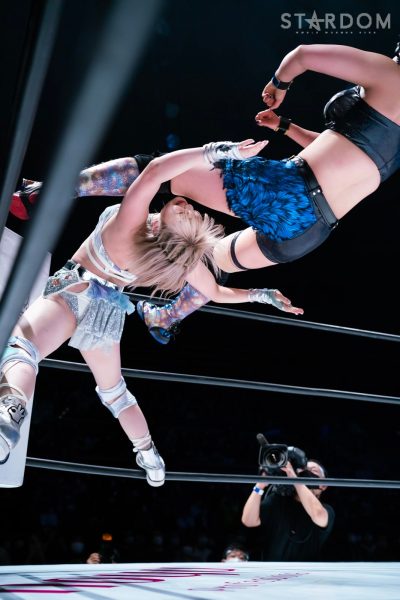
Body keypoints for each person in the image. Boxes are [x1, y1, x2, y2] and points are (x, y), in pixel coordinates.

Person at [0, 140, 302, 482]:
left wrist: (216, 151)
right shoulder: (176, 258)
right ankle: (149, 455)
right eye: (192, 213)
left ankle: (11, 409)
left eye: (185, 215)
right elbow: (216, 293)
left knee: (21, 346)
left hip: (76, 291)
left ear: (169, 230)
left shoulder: (133, 224)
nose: (187, 206)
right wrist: (260, 295)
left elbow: (154, 170)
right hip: (106, 315)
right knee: (115, 394)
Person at [241, 459, 334, 561]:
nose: (307, 473)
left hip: (306, 570)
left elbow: (318, 515)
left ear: (324, 485)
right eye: (304, 470)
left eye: (314, 470)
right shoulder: (277, 501)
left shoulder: (326, 509)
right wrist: (260, 485)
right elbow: (249, 521)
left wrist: (294, 478)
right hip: (273, 569)